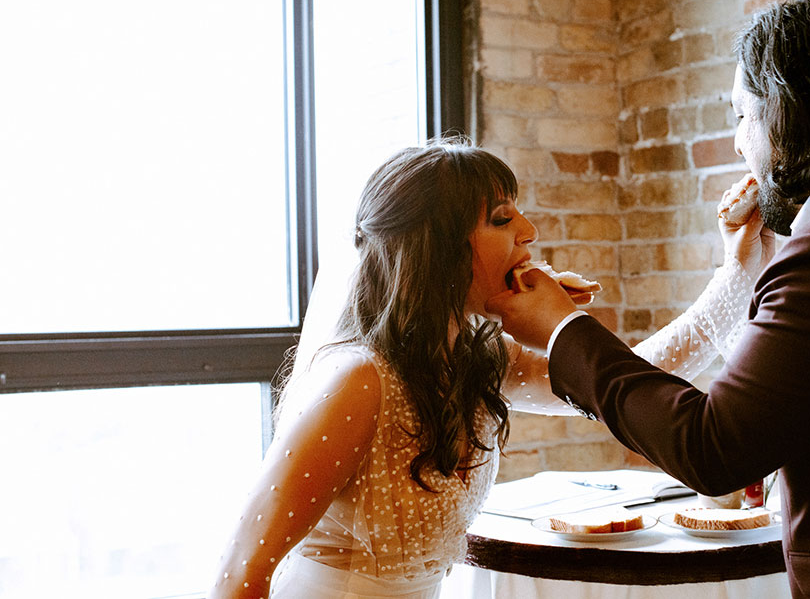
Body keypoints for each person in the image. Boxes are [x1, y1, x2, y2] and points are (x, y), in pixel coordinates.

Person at [487, 0, 810, 598]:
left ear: (788, 111)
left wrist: (562, 326)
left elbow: (713, 448)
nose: (736, 144)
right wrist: (744, 268)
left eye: (740, 116)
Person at [207, 138, 767, 599]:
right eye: (502, 219)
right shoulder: (356, 381)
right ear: (438, 250)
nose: (529, 231)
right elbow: (239, 576)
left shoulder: (478, 359)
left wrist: (736, 271)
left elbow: (628, 378)